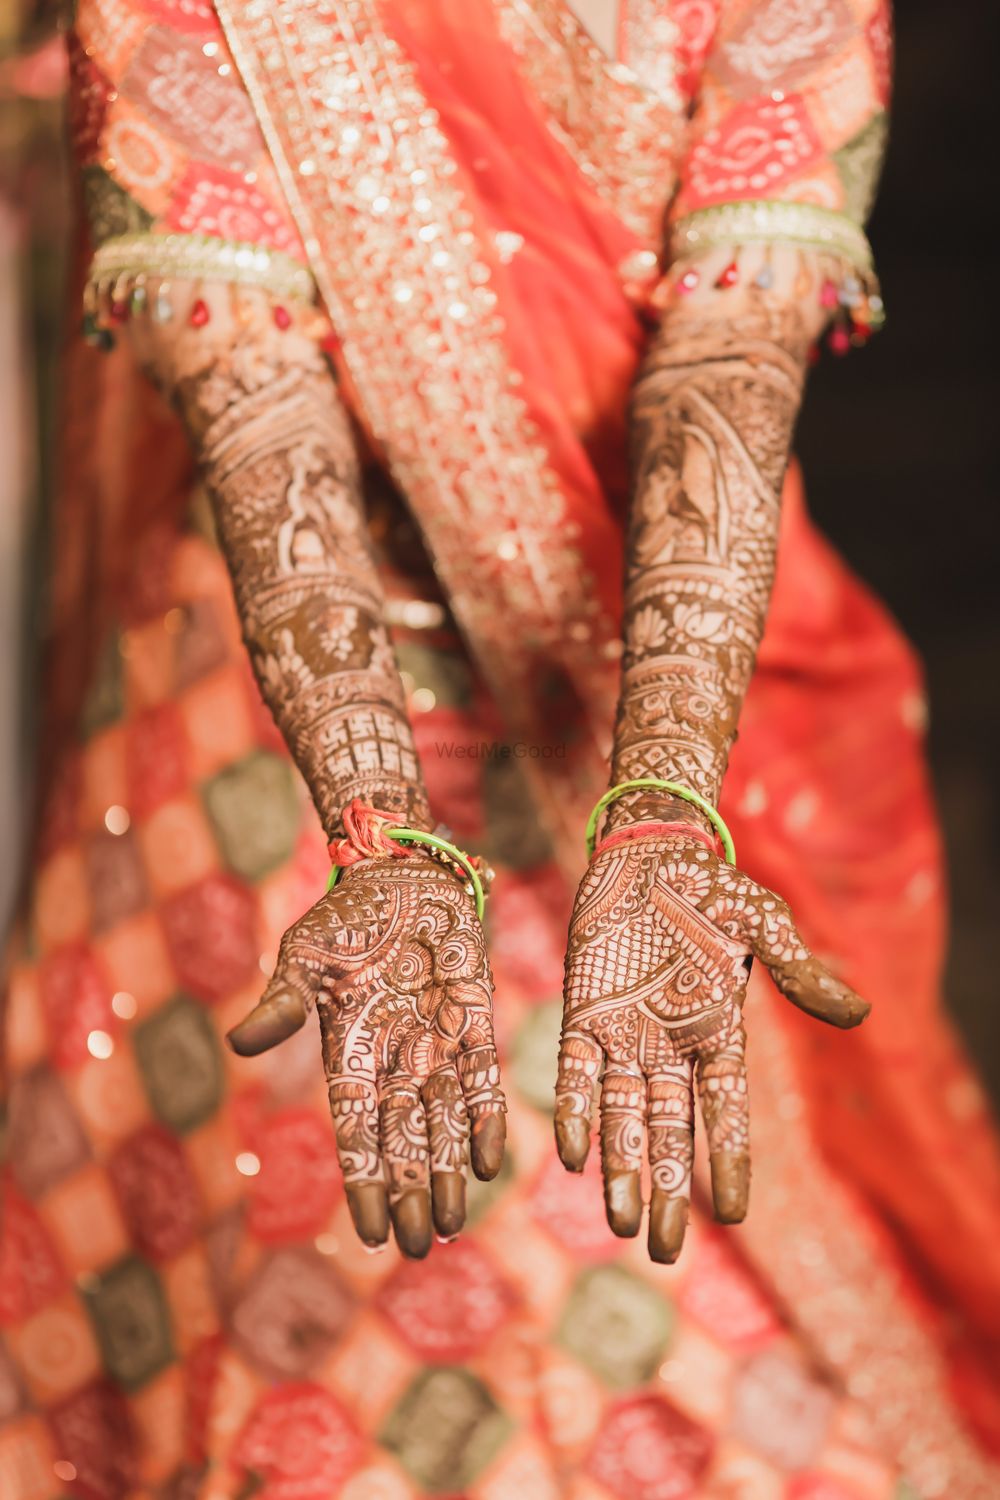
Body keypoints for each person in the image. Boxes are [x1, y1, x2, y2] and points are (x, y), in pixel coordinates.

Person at [2, 1, 998, 1496]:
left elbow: (731, 340)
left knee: (705, 1300)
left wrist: (659, 804)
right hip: (262, 732)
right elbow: (255, 392)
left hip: (648, 654)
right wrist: (381, 831)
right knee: (309, 1289)